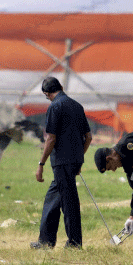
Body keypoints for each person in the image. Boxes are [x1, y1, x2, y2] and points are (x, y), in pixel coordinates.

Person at [31, 77, 92, 249]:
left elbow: (50, 139)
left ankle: (74, 243)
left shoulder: (55, 107)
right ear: (61, 87)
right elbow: (88, 137)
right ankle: (45, 242)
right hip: (72, 161)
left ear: (47, 93)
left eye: (46, 96)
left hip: (62, 162)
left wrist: (40, 164)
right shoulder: (77, 106)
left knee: (68, 203)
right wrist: (78, 157)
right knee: (52, 199)